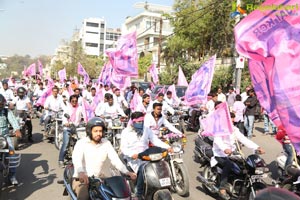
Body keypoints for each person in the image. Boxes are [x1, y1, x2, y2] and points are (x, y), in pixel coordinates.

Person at [72, 117, 137, 200]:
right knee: (84, 196)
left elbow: (115, 160)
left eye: (100, 131)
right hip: (83, 179)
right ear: (89, 131)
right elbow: (77, 159)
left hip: (103, 179)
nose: (98, 133)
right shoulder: (81, 143)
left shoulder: (106, 143)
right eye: (95, 131)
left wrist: (127, 172)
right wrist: (81, 172)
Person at [212, 112, 265, 200]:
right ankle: (222, 188)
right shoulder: (219, 129)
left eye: (233, 119)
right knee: (228, 164)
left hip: (233, 153)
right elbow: (218, 141)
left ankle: (240, 185)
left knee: (246, 166)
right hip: (220, 153)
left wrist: (257, 147)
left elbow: (243, 139)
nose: (232, 121)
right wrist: (224, 149)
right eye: (230, 119)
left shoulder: (234, 129)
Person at [120, 111, 171, 199]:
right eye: (139, 122)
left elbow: (155, 140)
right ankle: (138, 193)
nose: (141, 123)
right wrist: (132, 154)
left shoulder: (146, 129)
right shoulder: (125, 132)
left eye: (142, 121)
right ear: (133, 122)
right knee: (143, 168)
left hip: (147, 155)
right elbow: (123, 148)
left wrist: (167, 147)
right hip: (134, 158)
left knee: (161, 164)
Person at [0, 94, 22, 185]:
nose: (0, 106)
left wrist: (17, 129)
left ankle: (12, 175)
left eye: (1, 104)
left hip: (4, 137)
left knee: (12, 153)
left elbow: (13, 120)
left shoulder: (6, 111)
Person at [58, 95, 85, 167]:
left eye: (76, 101)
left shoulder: (80, 108)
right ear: (70, 101)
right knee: (66, 143)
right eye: (73, 101)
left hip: (77, 128)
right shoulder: (67, 108)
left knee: (82, 143)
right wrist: (66, 123)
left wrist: (86, 120)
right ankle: (61, 160)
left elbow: (84, 115)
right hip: (68, 128)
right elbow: (64, 117)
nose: (74, 102)